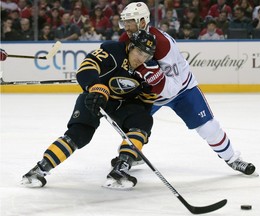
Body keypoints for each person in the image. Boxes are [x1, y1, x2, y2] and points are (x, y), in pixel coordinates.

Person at [108, 2, 256, 189]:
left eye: (130, 22)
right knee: (133, 126)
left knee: (209, 128)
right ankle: (131, 156)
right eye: (125, 23)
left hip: (182, 90)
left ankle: (233, 158)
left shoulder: (163, 44)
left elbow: (172, 86)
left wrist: (152, 76)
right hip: (150, 94)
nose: (126, 27)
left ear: (143, 21)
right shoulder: (125, 40)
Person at [21, 30, 158, 188]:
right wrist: (96, 87)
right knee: (79, 135)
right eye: (139, 52)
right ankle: (39, 170)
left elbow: (147, 101)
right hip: (95, 97)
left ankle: (120, 169)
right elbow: (87, 66)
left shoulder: (148, 72)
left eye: (146, 55)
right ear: (131, 46)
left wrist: (142, 132)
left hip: (122, 104)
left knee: (143, 121)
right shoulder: (114, 52)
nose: (141, 58)